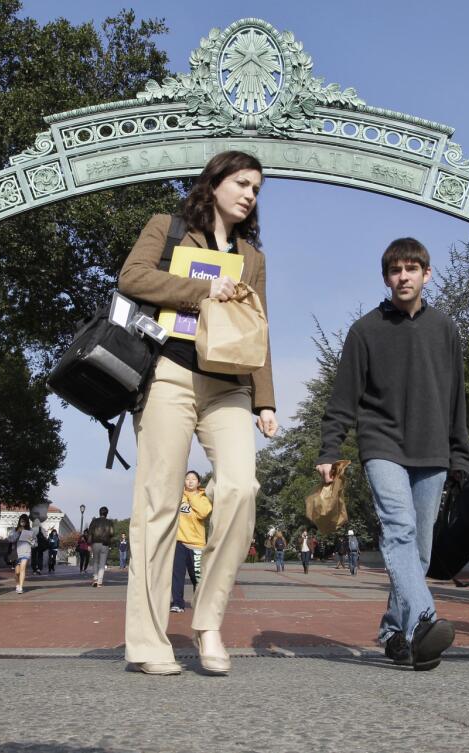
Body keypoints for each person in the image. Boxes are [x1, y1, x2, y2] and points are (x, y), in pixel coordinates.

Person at [119, 151, 277, 676]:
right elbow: (132, 278)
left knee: (240, 487)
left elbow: (260, 325)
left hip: (229, 384)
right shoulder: (167, 228)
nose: (250, 194)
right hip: (170, 373)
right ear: (215, 183)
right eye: (242, 183)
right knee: (158, 503)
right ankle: (147, 642)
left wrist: (266, 399)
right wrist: (201, 290)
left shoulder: (252, 256)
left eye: (256, 187)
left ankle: (207, 623)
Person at [317, 237, 469, 672]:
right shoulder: (365, 331)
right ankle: (424, 621)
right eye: (395, 270)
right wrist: (331, 447)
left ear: (426, 273)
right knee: (399, 531)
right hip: (382, 445)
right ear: (386, 278)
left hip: (434, 450)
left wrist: (461, 454)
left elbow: (457, 397)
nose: (403, 276)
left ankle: (393, 632)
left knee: (419, 550)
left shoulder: (445, 329)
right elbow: (343, 397)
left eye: (411, 268)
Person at [171, 471, 212, 612]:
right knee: (177, 576)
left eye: (193, 479)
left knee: (197, 577)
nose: (190, 481)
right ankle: (177, 603)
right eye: (187, 478)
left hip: (197, 544)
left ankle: (200, 602)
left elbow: (203, 513)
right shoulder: (178, 497)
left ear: (198, 483)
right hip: (179, 542)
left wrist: (191, 496)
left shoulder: (203, 498)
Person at [87, 507, 116, 587]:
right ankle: (100, 582)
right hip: (105, 544)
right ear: (107, 513)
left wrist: (89, 544)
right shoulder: (109, 522)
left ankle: (95, 579)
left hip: (95, 543)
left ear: (99, 513)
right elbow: (112, 533)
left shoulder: (94, 521)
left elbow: (90, 533)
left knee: (95, 561)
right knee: (102, 563)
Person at [7, 513, 34, 594]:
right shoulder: (15, 530)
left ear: (27, 522)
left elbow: (34, 543)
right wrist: (17, 532)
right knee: (17, 572)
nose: (23, 523)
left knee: (23, 569)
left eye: (24, 521)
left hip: (26, 552)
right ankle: (18, 584)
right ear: (19, 521)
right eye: (22, 521)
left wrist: (31, 539)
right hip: (16, 553)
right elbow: (10, 540)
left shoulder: (30, 531)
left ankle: (21, 587)